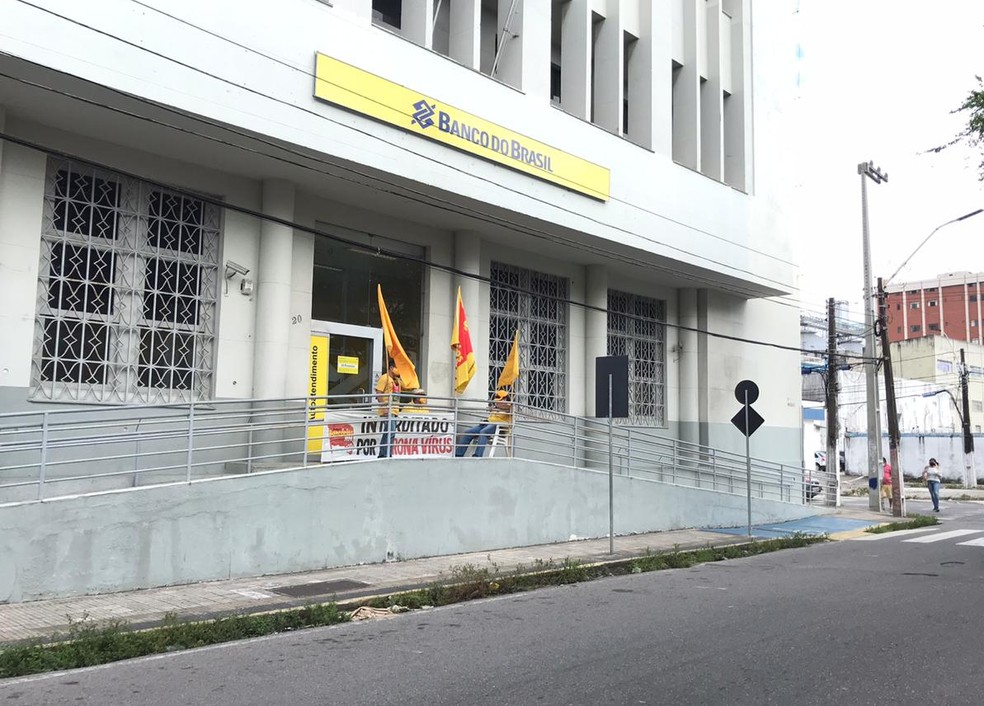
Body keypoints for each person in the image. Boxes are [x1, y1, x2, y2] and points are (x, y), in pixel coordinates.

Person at [455, 389, 512, 458]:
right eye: (497, 401)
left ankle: (477, 456)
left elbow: (508, 406)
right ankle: (458, 455)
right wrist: (496, 407)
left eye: (499, 401)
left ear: (505, 399)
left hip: (499, 427)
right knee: (468, 432)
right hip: (486, 424)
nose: (497, 403)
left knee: (483, 432)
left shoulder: (510, 407)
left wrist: (499, 406)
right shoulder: (496, 406)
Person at [375, 361, 401, 458]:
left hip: (394, 410)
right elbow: (379, 393)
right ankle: (386, 454)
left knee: (390, 433)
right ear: (391, 368)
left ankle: (383, 454)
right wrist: (384, 407)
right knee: (390, 432)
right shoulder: (384, 378)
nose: (398, 371)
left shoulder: (396, 380)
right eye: (396, 367)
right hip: (387, 410)